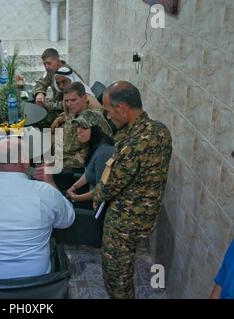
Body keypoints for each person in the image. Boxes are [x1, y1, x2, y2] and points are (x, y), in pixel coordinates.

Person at [92, 81, 172, 298]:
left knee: (116, 275)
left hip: (124, 222)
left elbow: (111, 184)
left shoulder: (135, 144)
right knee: (124, 268)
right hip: (144, 216)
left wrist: (97, 194)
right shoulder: (159, 130)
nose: (108, 117)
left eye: (109, 112)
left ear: (122, 108)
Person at [0, 138, 75, 281]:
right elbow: (67, 220)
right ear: (25, 162)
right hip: (38, 281)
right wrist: (50, 182)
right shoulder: (46, 193)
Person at [53, 82, 112, 169]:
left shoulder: (88, 121)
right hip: (61, 150)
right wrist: (59, 119)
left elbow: (82, 160)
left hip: (68, 167)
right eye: (66, 101)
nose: (69, 104)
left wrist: (54, 162)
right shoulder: (76, 109)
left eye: (73, 100)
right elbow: (67, 115)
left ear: (84, 98)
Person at [65, 112, 114, 205]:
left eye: (84, 127)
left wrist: (77, 198)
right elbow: (89, 173)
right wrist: (74, 187)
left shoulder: (104, 152)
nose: (79, 131)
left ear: (96, 130)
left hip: (98, 205)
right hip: (91, 197)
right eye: (78, 126)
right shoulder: (94, 146)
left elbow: (103, 190)